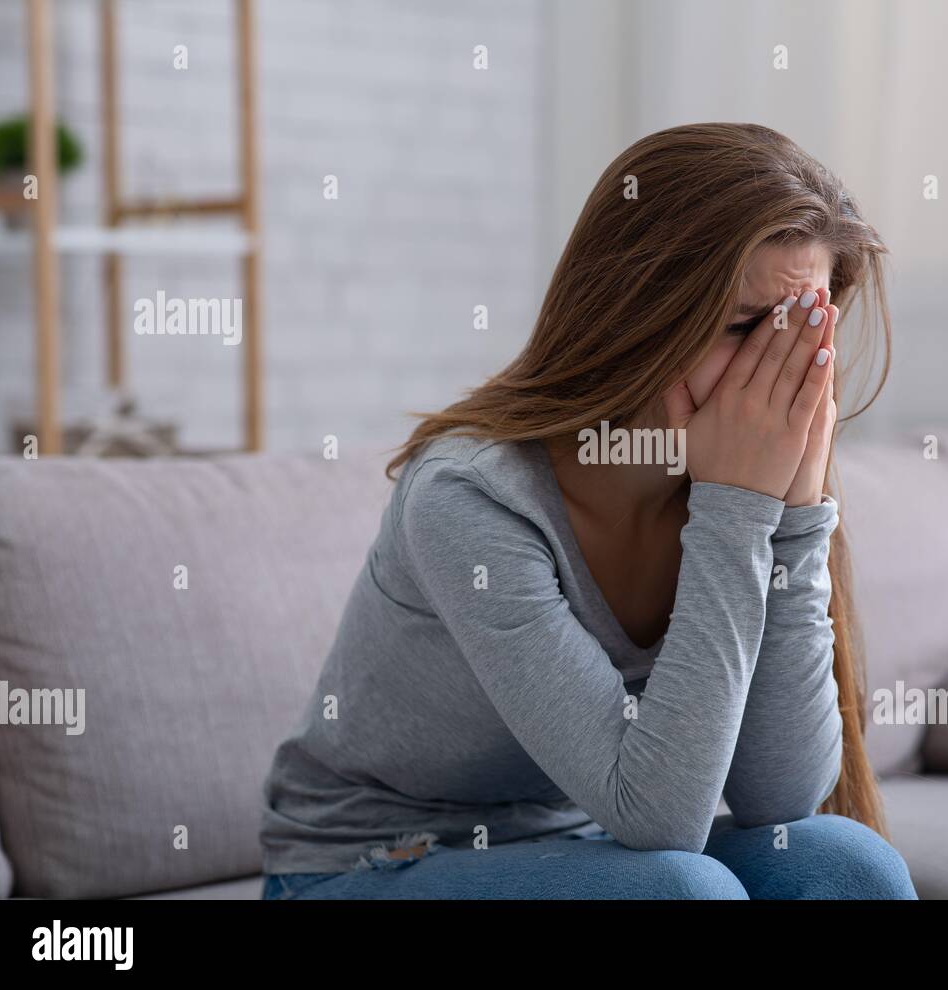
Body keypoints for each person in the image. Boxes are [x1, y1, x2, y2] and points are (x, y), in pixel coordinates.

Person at [259, 122, 914, 899]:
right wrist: (737, 510)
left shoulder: (726, 477)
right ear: (637, 311)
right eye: (745, 327)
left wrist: (796, 516)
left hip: (585, 846)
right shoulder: (470, 498)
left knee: (847, 864)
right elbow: (663, 819)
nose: (778, 375)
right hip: (367, 863)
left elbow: (781, 796)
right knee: (682, 892)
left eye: (804, 333)